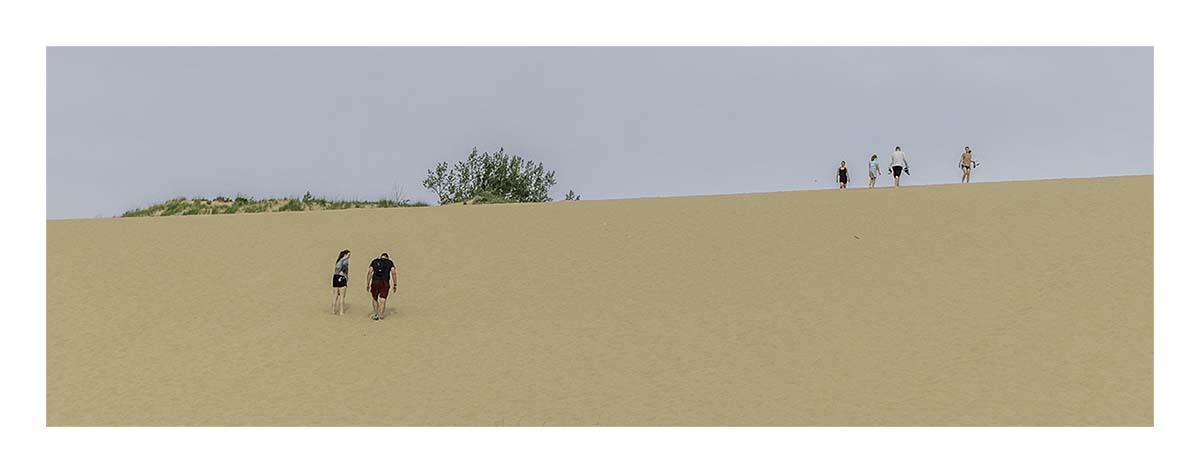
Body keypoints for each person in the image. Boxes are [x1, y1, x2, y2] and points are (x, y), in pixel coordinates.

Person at [366, 252, 398, 320]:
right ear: (387, 257)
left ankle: (375, 313)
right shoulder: (390, 262)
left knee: (375, 298)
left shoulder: (374, 261)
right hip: (385, 282)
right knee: (383, 299)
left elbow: (369, 272)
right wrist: (395, 284)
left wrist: (368, 283)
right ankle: (381, 315)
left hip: (375, 281)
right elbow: (393, 273)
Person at [331, 249, 350, 315]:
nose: (349, 256)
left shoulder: (338, 261)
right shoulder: (345, 261)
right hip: (341, 278)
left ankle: (333, 310)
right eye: (348, 255)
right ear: (345, 255)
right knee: (342, 296)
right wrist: (346, 279)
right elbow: (345, 272)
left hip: (335, 278)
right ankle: (341, 311)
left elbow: (336, 269)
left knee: (335, 295)